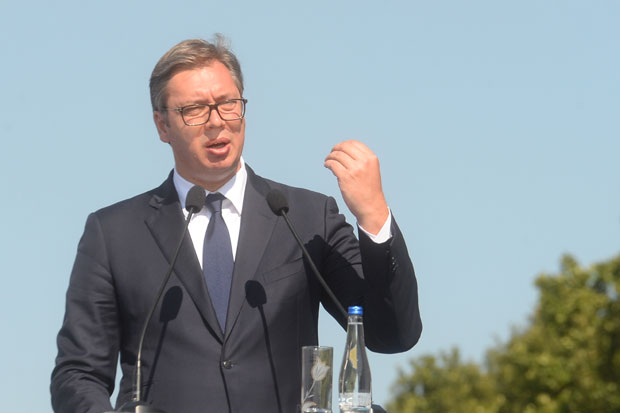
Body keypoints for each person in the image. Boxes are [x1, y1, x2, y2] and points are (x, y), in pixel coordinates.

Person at [51, 36, 422, 413]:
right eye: (194, 109)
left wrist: (374, 216)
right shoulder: (114, 233)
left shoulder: (307, 217)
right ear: (162, 126)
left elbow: (390, 334)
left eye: (228, 104)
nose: (216, 122)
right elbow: (78, 374)